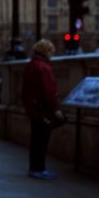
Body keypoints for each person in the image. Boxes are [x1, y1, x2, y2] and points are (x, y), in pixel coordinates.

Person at [21, 39, 65, 180]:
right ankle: (39, 169)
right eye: (51, 50)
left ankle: (34, 168)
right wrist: (56, 109)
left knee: (36, 139)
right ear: (46, 51)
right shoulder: (43, 67)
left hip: (33, 107)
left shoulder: (31, 65)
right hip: (43, 108)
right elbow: (48, 90)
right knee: (42, 140)